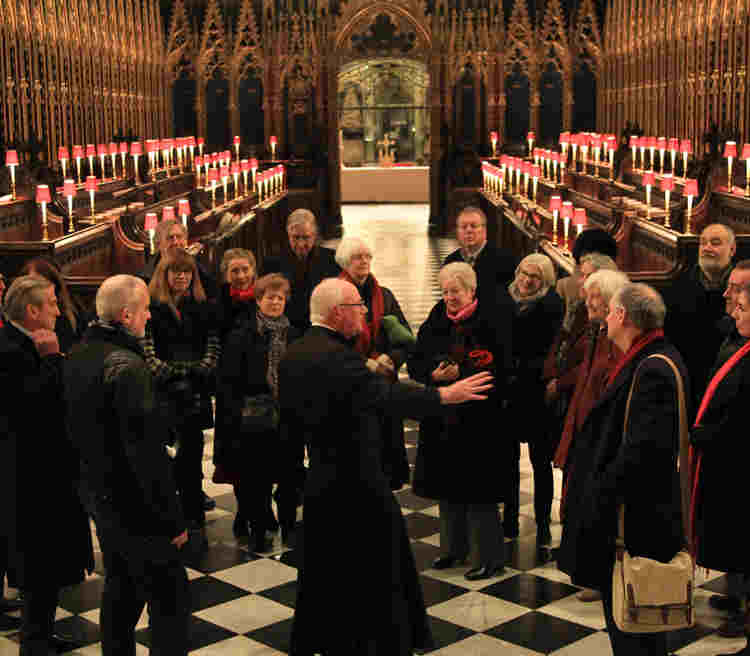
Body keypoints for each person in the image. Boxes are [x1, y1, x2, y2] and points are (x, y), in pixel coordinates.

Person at [280, 278, 493, 656]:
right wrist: (443, 395)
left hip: (320, 478)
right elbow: (385, 396)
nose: (364, 312)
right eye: (356, 306)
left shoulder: (296, 352)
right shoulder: (336, 357)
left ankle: (331, 638)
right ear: (336, 313)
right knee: (378, 568)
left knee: (326, 569)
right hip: (355, 479)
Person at [557, 283, 687, 656]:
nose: (605, 317)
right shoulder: (645, 359)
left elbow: (642, 454)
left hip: (632, 526)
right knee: (628, 629)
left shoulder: (654, 369)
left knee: (635, 633)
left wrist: (598, 491)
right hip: (624, 519)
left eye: (611, 310)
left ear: (623, 317)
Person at [63, 275, 189, 656]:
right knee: (170, 597)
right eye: (145, 309)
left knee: (122, 589)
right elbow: (145, 452)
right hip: (137, 505)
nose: (149, 316)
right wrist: (172, 520)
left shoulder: (78, 354)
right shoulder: (127, 365)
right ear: (126, 314)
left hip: (99, 497)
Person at [0, 276, 94, 653]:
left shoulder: (23, 342)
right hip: (32, 483)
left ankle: (40, 634)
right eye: (52, 303)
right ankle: (34, 643)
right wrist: (54, 359)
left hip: (45, 477)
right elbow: (46, 408)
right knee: (40, 570)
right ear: (32, 311)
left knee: (48, 572)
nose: (59, 309)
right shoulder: (10, 350)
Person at [409, 262, 513, 580]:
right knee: (447, 487)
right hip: (443, 419)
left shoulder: (492, 321)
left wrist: (462, 374)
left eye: (456, 291)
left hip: (480, 419)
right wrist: (432, 373)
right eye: (445, 291)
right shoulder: (436, 319)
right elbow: (416, 361)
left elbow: (504, 367)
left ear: (471, 291)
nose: (449, 297)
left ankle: (490, 558)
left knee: (479, 492)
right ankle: (453, 549)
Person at [552, 268, 629, 602]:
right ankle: (589, 571)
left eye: (594, 296)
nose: (587, 301)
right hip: (582, 426)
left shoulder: (616, 338)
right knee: (580, 502)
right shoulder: (595, 331)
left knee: (598, 506)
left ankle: (601, 577)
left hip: (602, 435)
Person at [215, 273, 302, 551]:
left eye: (280, 298)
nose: (276, 302)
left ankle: (289, 525)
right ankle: (259, 525)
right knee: (257, 476)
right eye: (270, 297)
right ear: (259, 300)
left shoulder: (295, 333)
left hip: (288, 414)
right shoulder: (243, 334)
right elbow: (229, 379)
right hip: (253, 415)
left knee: (290, 474)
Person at [141, 249, 220, 537]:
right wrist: (177, 371)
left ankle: (193, 512)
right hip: (165, 392)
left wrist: (200, 368)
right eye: (176, 271)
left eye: (187, 271)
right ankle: (171, 516)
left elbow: (212, 344)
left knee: (193, 451)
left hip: (195, 391)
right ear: (165, 274)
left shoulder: (200, 305)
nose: (182, 276)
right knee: (167, 454)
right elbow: (148, 351)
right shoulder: (151, 307)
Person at [689, 281, 750, 650]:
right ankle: (739, 596)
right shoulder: (738, 344)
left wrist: (705, 434)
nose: (736, 312)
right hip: (728, 458)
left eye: (743, 308)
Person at [336, 236, 413, 489]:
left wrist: (391, 358)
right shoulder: (334, 296)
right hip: (351, 387)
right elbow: (330, 345)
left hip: (384, 385)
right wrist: (367, 363)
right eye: (358, 257)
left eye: (368, 256)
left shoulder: (385, 295)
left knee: (385, 457)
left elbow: (404, 336)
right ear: (345, 263)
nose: (364, 261)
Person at [505, 253, 564, 543]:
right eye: (524, 273)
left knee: (541, 463)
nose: (527, 280)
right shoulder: (505, 300)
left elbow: (550, 349)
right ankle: (509, 520)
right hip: (510, 392)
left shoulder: (553, 305)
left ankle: (542, 523)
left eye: (535, 277)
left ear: (545, 281)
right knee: (508, 460)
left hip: (538, 393)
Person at [663, 222, 735, 406]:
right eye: (703, 243)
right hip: (688, 380)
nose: (707, 248)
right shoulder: (680, 285)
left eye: (715, 243)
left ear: (732, 249)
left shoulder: (742, 287)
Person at [261, 209, 341, 333]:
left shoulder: (332, 260)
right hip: (285, 327)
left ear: (314, 235)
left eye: (306, 237)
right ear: (288, 235)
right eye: (295, 237)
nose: (301, 244)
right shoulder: (272, 262)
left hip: (321, 326)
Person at [443, 206, 517, 301]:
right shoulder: (450, 262)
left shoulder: (504, 260)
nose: (468, 231)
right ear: (457, 232)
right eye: (463, 227)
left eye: (474, 226)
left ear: (484, 230)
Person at [19, 257, 88, 353]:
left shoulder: (67, 312)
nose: (37, 289)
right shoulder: (20, 313)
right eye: (33, 283)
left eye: (42, 284)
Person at [138, 218, 217, 298]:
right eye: (170, 238)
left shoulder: (197, 267)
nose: (175, 242)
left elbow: (212, 293)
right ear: (158, 244)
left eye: (179, 237)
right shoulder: (145, 278)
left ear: (185, 241)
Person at [217, 247, 258, 336]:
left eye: (245, 269)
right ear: (226, 274)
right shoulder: (217, 299)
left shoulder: (264, 295)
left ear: (253, 271)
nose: (241, 276)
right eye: (235, 271)